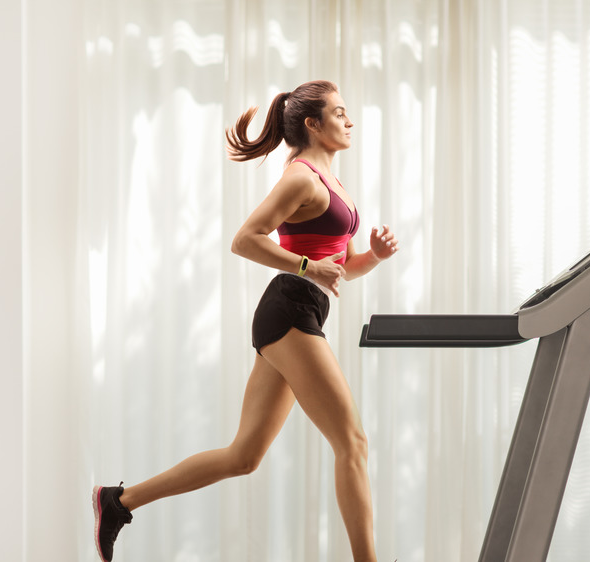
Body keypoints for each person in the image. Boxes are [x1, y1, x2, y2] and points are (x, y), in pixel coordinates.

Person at [92, 80, 398, 562]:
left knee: (243, 457)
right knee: (353, 441)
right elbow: (244, 239)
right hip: (291, 308)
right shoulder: (301, 178)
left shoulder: (334, 184)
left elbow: (344, 267)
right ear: (312, 125)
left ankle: (118, 501)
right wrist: (304, 266)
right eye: (340, 114)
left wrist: (374, 257)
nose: (349, 121)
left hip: (301, 309)